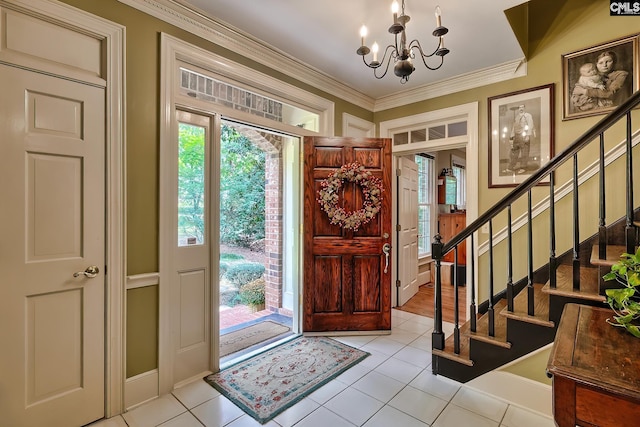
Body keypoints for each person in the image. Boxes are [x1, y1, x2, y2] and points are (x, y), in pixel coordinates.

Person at [506, 104, 536, 174]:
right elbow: (514, 127)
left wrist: (528, 135)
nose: (521, 109)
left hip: (524, 135)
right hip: (516, 137)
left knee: (524, 152)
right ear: (518, 109)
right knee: (514, 152)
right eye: (519, 107)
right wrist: (511, 136)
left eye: (522, 107)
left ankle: (523, 167)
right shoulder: (516, 117)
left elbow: (530, 125)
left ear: (524, 108)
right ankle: (511, 167)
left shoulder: (528, 116)